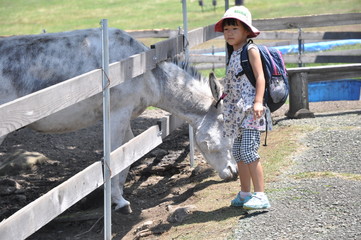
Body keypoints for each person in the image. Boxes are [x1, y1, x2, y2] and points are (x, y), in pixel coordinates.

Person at [214, 6, 272, 210]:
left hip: (250, 110)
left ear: (246, 30)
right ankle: (245, 193)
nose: (229, 33)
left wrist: (258, 101)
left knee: (248, 151)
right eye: (226, 29)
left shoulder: (251, 50)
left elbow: (260, 78)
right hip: (236, 113)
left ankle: (261, 195)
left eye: (234, 29)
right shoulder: (234, 53)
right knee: (238, 153)